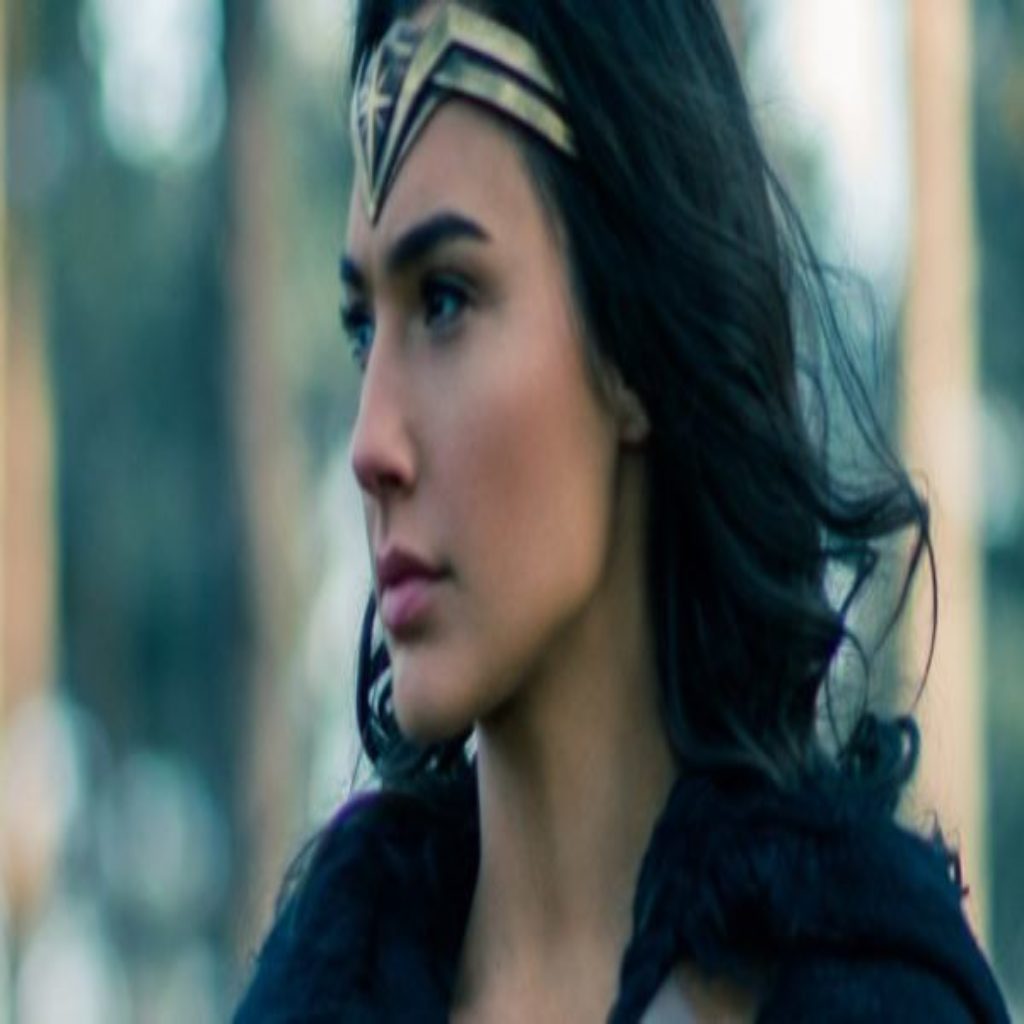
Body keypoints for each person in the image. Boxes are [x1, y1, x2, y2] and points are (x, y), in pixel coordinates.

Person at [234, 1, 1010, 1020]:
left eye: (445, 300)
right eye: (361, 330)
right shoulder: (319, 992)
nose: (369, 444)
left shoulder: (868, 996)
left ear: (639, 339)